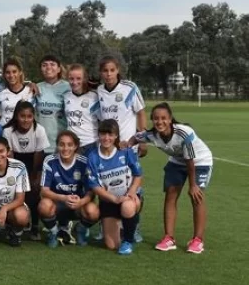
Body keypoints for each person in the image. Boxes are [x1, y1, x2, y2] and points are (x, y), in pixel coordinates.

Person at [126, 103, 213, 254]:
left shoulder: (184, 133)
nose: (160, 122)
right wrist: (127, 147)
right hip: (177, 161)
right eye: (156, 119)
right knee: (171, 194)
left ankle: (198, 240)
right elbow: (135, 138)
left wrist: (192, 185)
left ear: (170, 119)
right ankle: (169, 238)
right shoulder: (151, 135)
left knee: (196, 196)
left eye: (164, 118)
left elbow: (190, 162)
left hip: (200, 161)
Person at [96, 55, 147, 242]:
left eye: (112, 70)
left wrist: (142, 140)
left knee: (130, 185)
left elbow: (141, 112)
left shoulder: (129, 88)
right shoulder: (99, 91)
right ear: (100, 73)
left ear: (117, 70)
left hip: (127, 147)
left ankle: (134, 224)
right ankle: (106, 224)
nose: (108, 74)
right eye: (104, 71)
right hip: (107, 147)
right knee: (106, 184)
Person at [86, 119, 143, 255]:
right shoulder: (93, 157)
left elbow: (138, 175)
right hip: (109, 201)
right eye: (103, 134)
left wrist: (132, 192)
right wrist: (114, 199)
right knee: (111, 245)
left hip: (129, 197)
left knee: (127, 206)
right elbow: (95, 186)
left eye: (110, 134)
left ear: (116, 135)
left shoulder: (125, 152)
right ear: (98, 135)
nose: (106, 138)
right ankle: (125, 225)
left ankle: (128, 240)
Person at [39, 130, 99, 248]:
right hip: (57, 204)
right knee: (43, 205)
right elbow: (44, 191)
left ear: (76, 146)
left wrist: (81, 202)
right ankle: (54, 232)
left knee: (93, 211)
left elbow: (91, 192)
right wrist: (63, 198)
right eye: (62, 144)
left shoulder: (84, 162)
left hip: (77, 205)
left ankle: (80, 230)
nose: (65, 148)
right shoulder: (50, 161)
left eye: (70, 145)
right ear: (57, 145)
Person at [3, 101, 49, 241]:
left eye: (29, 116)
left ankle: (34, 225)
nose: (26, 119)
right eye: (22, 116)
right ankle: (12, 224)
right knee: (15, 191)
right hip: (15, 162)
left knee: (34, 192)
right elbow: (9, 156)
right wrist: (15, 177)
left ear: (33, 117)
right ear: (16, 116)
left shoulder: (39, 130)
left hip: (33, 162)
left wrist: (35, 177)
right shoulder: (8, 131)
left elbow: (39, 155)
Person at [35, 55, 70, 154]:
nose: (48, 67)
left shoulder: (68, 87)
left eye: (52, 64)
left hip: (62, 144)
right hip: (41, 144)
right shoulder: (36, 87)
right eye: (44, 65)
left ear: (59, 69)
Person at [64, 64, 99, 154]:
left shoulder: (94, 97)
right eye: (71, 79)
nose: (74, 82)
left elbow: (102, 120)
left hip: (91, 144)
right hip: (72, 145)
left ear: (84, 79)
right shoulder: (66, 96)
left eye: (78, 78)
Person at [0, 58, 35, 126]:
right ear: (4, 74)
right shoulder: (0, 93)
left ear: (20, 72)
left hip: (22, 132)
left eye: (14, 71)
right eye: (8, 72)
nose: (11, 75)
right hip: (4, 132)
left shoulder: (30, 92)